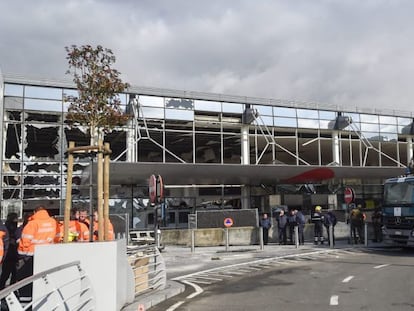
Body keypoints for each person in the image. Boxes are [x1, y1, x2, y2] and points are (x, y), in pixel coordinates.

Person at [16, 206, 58, 304]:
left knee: (25, 282)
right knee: (43, 281)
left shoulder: (33, 223)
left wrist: (21, 255)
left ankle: (25, 304)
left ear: (35, 212)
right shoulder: (53, 222)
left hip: (30, 256)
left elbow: (25, 242)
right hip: (47, 255)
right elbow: (56, 238)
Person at [0, 212, 18, 290]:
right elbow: (7, 241)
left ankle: (4, 288)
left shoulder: (6, 226)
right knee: (8, 273)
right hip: (10, 253)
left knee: (9, 273)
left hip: (9, 254)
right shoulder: (7, 227)